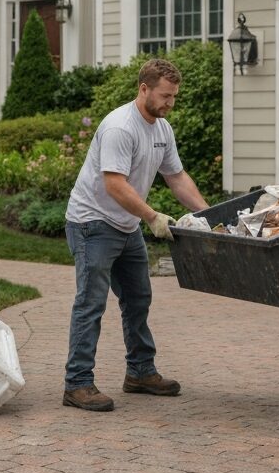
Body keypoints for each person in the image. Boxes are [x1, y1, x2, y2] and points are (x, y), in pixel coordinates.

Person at [62, 58, 209, 412]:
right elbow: (114, 184)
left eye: (174, 96)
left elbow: (176, 177)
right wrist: (152, 217)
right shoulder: (120, 127)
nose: (170, 103)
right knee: (91, 303)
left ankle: (140, 373)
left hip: (126, 226)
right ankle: (77, 383)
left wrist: (208, 216)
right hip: (92, 224)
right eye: (165, 96)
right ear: (144, 89)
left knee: (138, 299)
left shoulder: (162, 129)